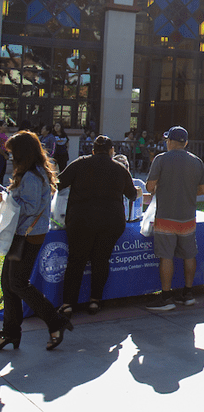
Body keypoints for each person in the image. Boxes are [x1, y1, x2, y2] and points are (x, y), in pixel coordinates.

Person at [0, 131, 73, 351]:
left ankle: (55, 320)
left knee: (18, 283)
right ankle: (11, 332)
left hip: (27, 236)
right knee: (8, 283)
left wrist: (8, 197)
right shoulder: (35, 172)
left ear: (23, 153)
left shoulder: (31, 175)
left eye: (13, 153)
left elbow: (29, 207)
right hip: (24, 234)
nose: (11, 158)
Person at [56, 135, 138, 315]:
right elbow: (132, 194)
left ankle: (68, 304)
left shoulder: (79, 163)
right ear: (111, 152)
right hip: (111, 222)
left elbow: (58, 184)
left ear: (93, 151)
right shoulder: (119, 168)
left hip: (81, 221)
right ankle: (95, 301)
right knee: (101, 260)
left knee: (76, 261)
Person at [145, 126, 204, 311]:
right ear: (185, 143)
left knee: (166, 256)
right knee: (189, 255)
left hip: (165, 217)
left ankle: (166, 297)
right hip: (188, 217)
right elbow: (203, 190)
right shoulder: (196, 161)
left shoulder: (161, 159)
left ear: (170, 141)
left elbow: (149, 187)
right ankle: (188, 293)